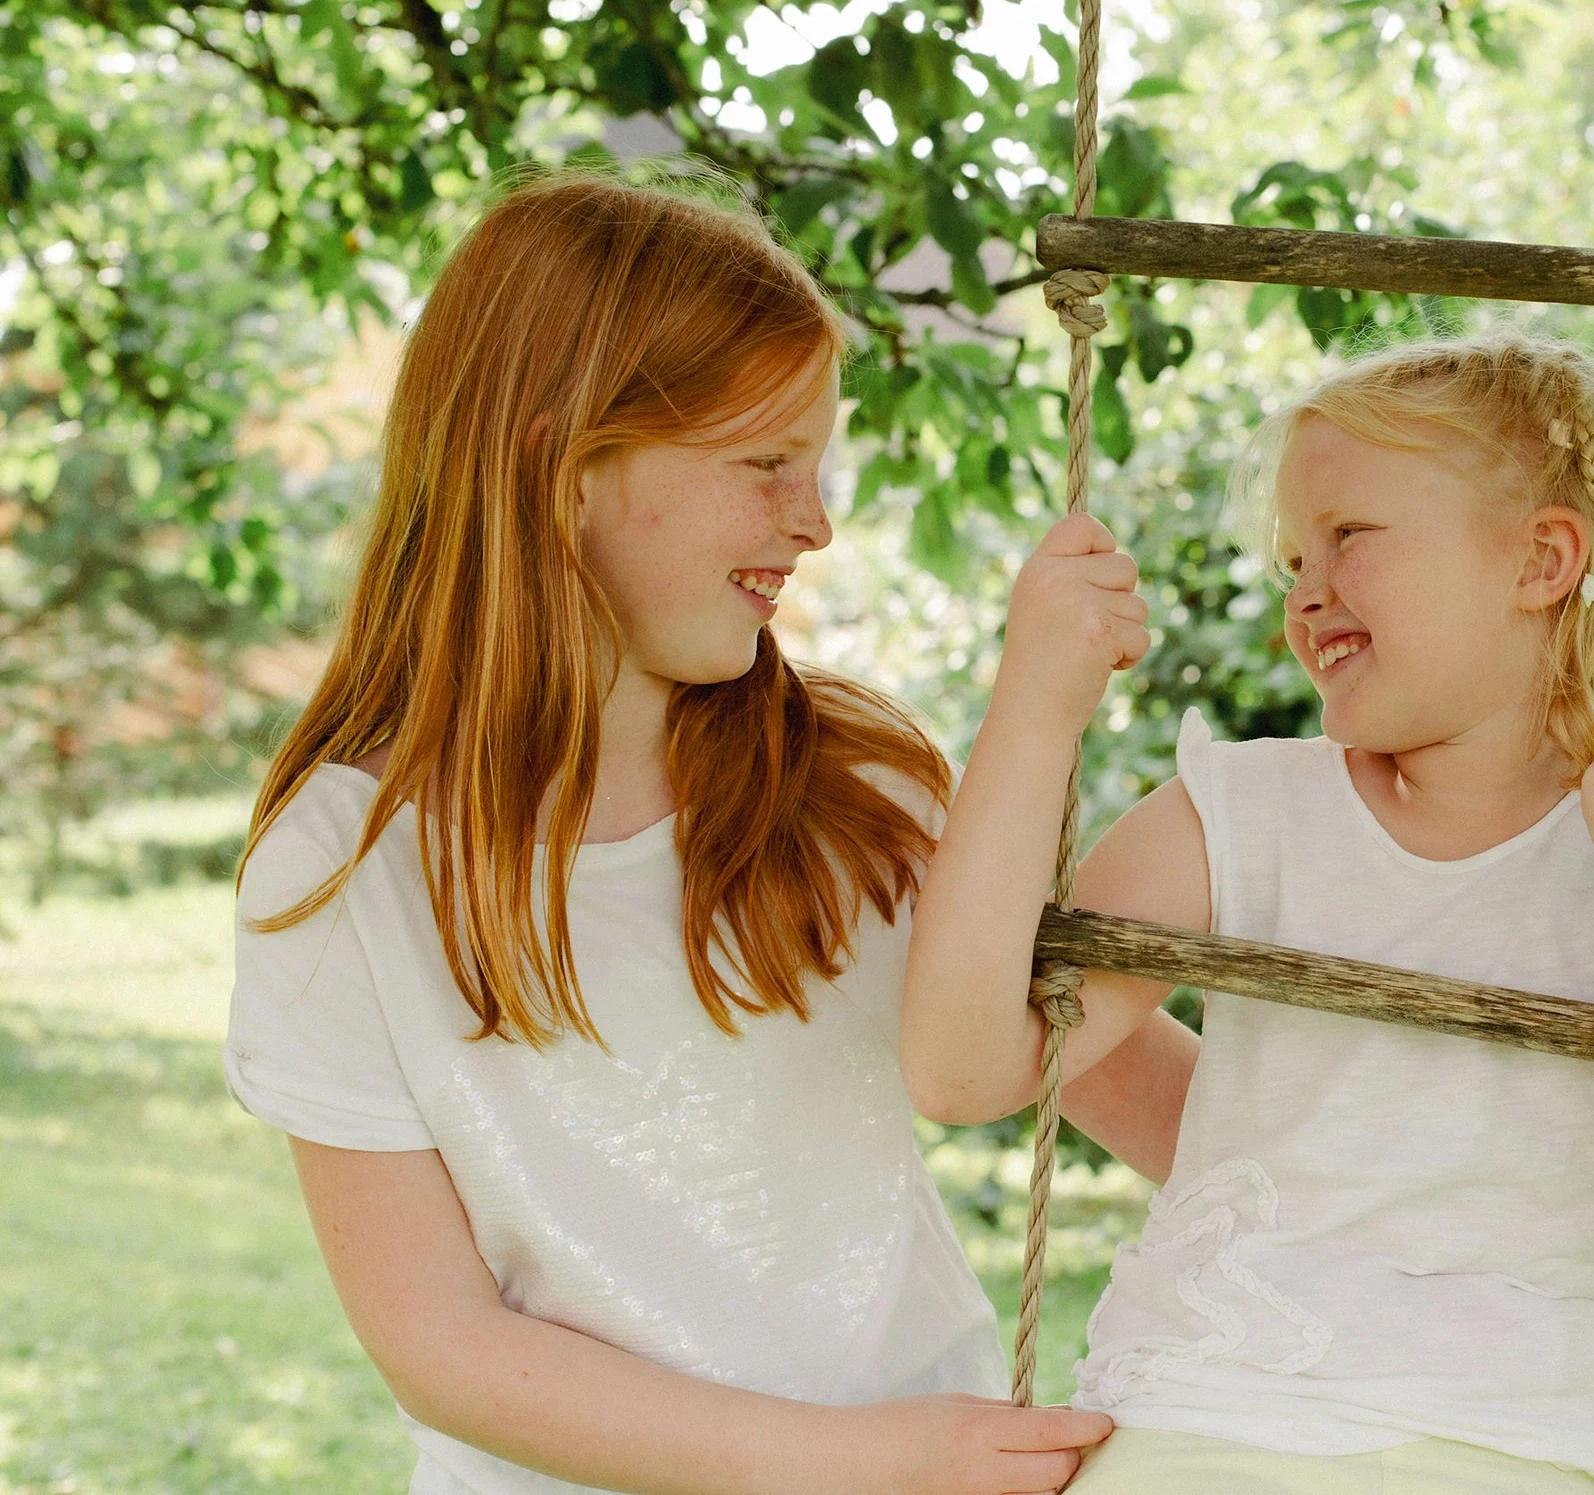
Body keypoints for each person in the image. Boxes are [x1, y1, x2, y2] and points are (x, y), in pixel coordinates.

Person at [225, 168, 1198, 1495]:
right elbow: (441, 1345)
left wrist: (1494, 1244)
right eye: (765, 462)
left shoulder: (853, 786)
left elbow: (1137, 1086)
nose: (817, 518)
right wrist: (859, 1462)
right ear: (563, 466)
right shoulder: (343, 868)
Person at [901, 328, 1594, 1492]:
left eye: (1350, 535)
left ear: (1543, 559)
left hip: (1522, 1435)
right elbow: (961, 1068)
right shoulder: (1242, 814)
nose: (1307, 592)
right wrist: (1037, 710)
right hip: (1220, 1407)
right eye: (1294, 556)